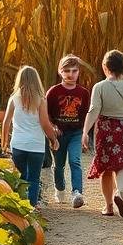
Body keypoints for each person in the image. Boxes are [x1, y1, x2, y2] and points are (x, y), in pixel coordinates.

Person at [81, 49, 123, 217]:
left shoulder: (100, 87)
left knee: (106, 169)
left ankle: (109, 206)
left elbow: (94, 110)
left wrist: (85, 132)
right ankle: (120, 192)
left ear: (105, 67)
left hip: (105, 129)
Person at [1, 66, 60, 207]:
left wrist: (4, 143)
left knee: (22, 177)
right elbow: (45, 124)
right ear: (36, 80)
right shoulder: (40, 99)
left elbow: (6, 122)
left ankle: (21, 205)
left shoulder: (14, 99)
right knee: (33, 178)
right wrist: (53, 139)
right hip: (36, 146)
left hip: (18, 145)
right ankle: (31, 207)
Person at [45, 54, 90, 208]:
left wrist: (85, 134)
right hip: (59, 135)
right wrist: (52, 127)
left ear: (78, 72)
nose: (71, 74)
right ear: (60, 72)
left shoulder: (83, 93)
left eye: (74, 71)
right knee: (59, 165)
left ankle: (77, 193)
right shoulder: (53, 92)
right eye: (67, 71)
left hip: (76, 133)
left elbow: (86, 115)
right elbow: (45, 114)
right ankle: (60, 188)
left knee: (75, 161)